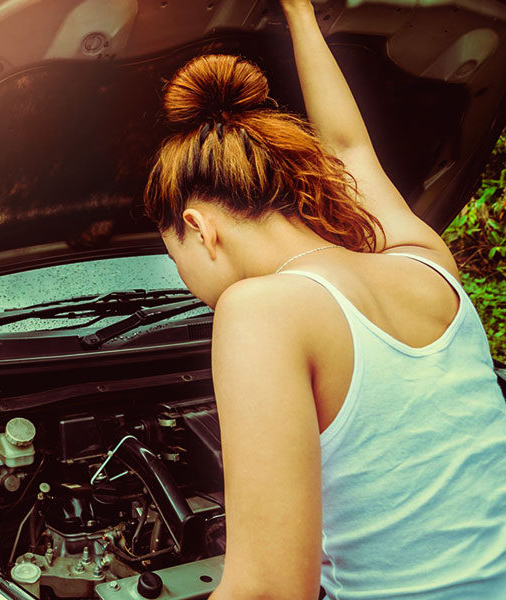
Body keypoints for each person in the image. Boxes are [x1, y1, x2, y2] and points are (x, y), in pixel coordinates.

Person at [142, 1, 506, 598]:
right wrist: (301, 14)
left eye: (175, 256)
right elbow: (349, 148)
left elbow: (271, 591)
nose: (187, 281)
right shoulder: (427, 264)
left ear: (200, 228)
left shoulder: (260, 311)